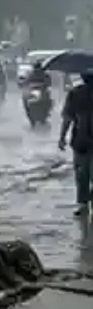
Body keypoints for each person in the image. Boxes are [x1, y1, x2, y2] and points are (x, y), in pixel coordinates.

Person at [59, 70, 93, 215]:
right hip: (82, 142)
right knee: (82, 175)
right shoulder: (75, 94)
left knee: (81, 175)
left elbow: (67, 118)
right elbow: (68, 117)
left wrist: (62, 137)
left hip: (81, 141)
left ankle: (83, 203)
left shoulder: (75, 93)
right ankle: (85, 202)